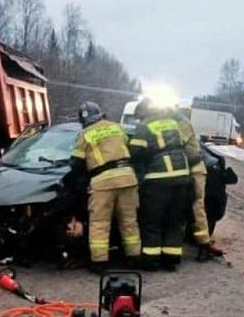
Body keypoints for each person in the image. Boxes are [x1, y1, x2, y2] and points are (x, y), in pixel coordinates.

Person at [70, 101, 140, 273]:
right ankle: (134, 258)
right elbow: (126, 146)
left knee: (100, 223)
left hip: (103, 181)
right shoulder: (117, 127)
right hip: (127, 177)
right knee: (129, 220)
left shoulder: (85, 134)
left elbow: (76, 163)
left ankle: (99, 263)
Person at [127, 98, 193, 271]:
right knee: (174, 220)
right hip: (182, 177)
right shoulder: (171, 123)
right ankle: (171, 259)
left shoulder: (145, 126)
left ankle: (151, 260)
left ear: (143, 113)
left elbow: (134, 152)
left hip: (159, 178)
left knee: (152, 221)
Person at [174, 109, 224, 260]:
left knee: (197, 206)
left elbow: (175, 144)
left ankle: (204, 242)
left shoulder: (182, 123)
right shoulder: (171, 123)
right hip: (182, 169)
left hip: (194, 169)